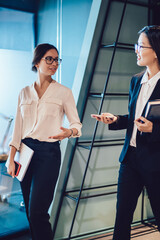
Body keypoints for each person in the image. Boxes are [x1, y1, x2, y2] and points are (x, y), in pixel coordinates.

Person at [7, 43, 82, 240]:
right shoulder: (24, 92)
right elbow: (18, 128)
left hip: (48, 154)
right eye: (49, 58)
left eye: (57, 59)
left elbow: (77, 123)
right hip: (25, 152)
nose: (54, 63)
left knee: (37, 213)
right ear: (37, 61)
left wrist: (69, 132)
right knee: (30, 214)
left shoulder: (64, 92)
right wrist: (11, 157)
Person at [92, 25, 160, 239]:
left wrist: (153, 128)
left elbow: (150, 124)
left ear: (156, 50)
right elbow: (134, 118)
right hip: (130, 159)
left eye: (141, 45)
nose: (136, 50)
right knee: (122, 217)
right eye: (136, 45)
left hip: (156, 162)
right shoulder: (135, 80)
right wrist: (116, 119)